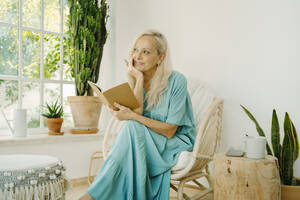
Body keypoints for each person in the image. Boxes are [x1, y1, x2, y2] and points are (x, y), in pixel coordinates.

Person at [80, 30, 196, 200]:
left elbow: (170, 131)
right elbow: (137, 114)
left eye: (146, 52)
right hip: (146, 138)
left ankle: (91, 196)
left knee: (132, 126)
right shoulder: (136, 79)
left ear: (160, 58)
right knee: (131, 127)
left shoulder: (177, 81)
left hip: (174, 142)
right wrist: (138, 80)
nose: (137, 56)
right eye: (135, 50)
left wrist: (131, 117)